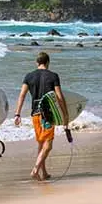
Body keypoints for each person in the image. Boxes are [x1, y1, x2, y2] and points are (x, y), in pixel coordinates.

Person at [13, 52, 68, 181]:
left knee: (41, 143)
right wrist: (65, 113)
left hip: (35, 114)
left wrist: (17, 113)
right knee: (48, 145)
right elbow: (59, 97)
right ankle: (35, 169)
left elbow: (22, 95)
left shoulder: (29, 76)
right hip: (48, 115)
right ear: (48, 62)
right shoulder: (53, 76)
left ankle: (44, 173)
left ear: (37, 63)